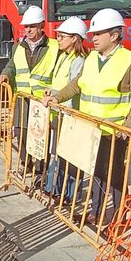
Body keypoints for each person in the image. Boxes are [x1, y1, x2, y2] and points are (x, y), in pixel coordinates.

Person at [42, 8, 131, 227]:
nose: (94, 37)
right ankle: (98, 212)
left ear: (114, 35)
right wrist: (57, 97)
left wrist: (128, 127)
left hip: (115, 132)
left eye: (99, 33)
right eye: (93, 33)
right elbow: (77, 84)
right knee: (98, 173)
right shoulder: (92, 58)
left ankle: (118, 218)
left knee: (115, 176)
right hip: (91, 128)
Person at [0, 5, 60, 185]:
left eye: (32, 26)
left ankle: (41, 169)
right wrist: (5, 74)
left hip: (41, 101)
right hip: (22, 99)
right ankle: (26, 162)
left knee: (40, 136)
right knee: (20, 132)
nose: (28, 30)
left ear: (41, 26)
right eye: (26, 27)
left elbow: (59, 71)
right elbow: (12, 65)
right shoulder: (18, 47)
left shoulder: (53, 47)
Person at [42, 16, 88, 200]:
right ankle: (56, 188)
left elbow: (74, 87)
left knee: (71, 156)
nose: (58, 39)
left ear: (75, 38)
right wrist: (52, 91)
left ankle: (69, 194)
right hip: (59, 112)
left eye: (62, 36)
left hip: (70, 114)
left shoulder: (79, 60)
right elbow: (62, 84)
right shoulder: (64, 57)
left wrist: (56, 95)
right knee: (58, 153)